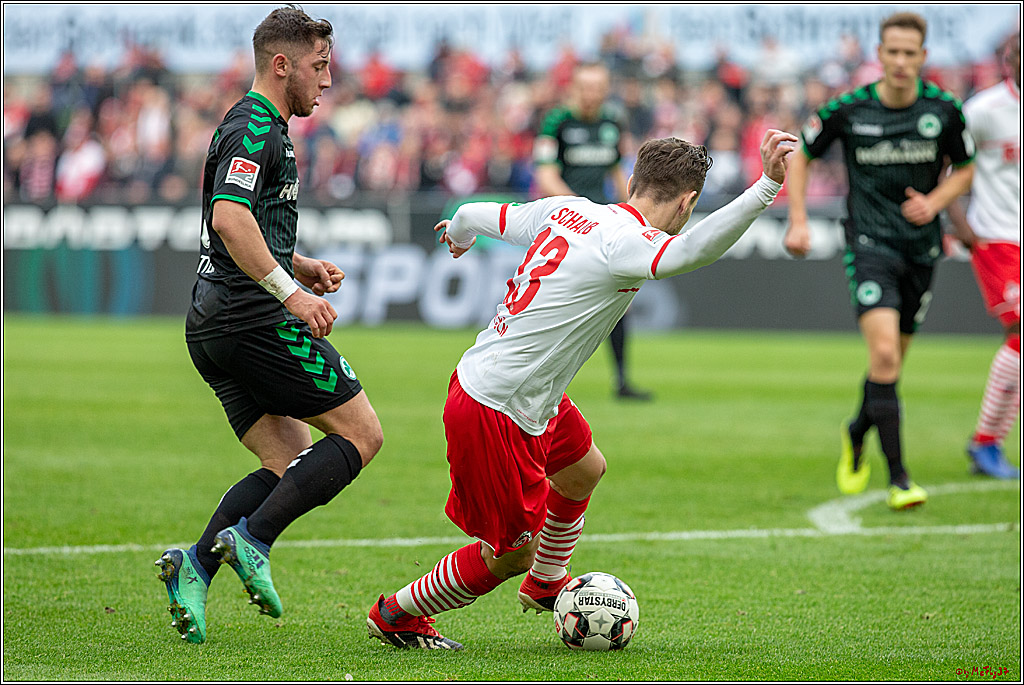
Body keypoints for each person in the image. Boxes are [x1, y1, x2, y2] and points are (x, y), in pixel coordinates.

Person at [365, 128, 797, 650]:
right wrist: (765, 187)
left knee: (584, 469)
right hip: (494, 407)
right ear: (687, 203)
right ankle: (397, 613)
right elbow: (690, 253)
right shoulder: (629, 244)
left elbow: (478, 214)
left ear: (632, 180)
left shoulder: (567, 209)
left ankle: (547, 584)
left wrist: (457, 232)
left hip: (520, 390)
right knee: (508, 552)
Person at [154, 6, 384, 644]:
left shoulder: (258, 126)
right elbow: (229, 217)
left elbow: (242, 219)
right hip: (251, 318)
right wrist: (289, 294)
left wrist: (296, 264)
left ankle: (195, 566)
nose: (327, 79)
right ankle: (252, 539)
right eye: (319, 65)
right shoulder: (256, 125)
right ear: (281, 65)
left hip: (214, 319)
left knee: (290, 460)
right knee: (362, 434)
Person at [783, 12, 975, 510]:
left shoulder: (945, 110)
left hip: (922, 250)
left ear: (923, 58)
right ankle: (900, 479)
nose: (901, 61)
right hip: (869, 246)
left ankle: (856, 429)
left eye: (911, 53)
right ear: (880, 53)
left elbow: (966, 167)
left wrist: (934, 203)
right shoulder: (849, 109)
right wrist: (798, 218)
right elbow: (801, 152)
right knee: (885, 356)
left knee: (888, 366)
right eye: (893, 51)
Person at [534, 62, 652, 401]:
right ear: (574, 87)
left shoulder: (613, 121)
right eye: (585, 87)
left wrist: (632, 210)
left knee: (621, 301)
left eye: (597, 88)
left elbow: (618, 171)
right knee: (557, 300)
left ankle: (621, 381)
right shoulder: (556, 122)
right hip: (563, 225)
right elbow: (545, 175)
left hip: (604, 223)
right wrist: (577, 210)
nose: (591, 95)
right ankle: (542, 378)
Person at [947, 33, 1020, 480]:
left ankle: (988, 443)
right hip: (997, 237)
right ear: (1010, 61)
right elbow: (944, 165)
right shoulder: (983, 110)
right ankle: (985, 443)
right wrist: (962, 225)